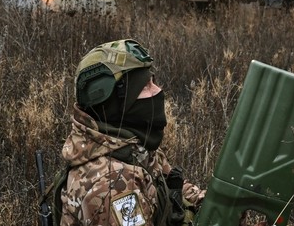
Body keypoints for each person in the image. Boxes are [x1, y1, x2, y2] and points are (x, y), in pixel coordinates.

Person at [58, 39, 204, 226]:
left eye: (153, 82)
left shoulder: (130, 145)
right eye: (144, 87)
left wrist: (219, 204)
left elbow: (171, 184)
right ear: (113, 104)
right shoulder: (111, 186)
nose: (158, 91)